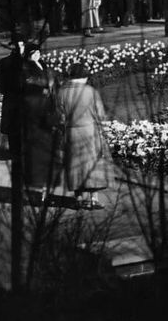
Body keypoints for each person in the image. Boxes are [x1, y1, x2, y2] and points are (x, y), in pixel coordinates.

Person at [55, 64, 111, 209]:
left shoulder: (61, 92)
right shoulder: (90, 91)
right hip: (89, 131)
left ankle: (78, 198)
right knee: (93, 165)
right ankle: (93, 199)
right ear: (85, 77)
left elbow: (59, 117)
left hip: (71, 132)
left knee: (74, 166)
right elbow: (100, 115)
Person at [20, 44, 61, 202]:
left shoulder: (42, 66)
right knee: (37, 156)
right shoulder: (26, 69)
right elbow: (29, 83)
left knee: (45, 156)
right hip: (36, 117)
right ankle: (36, 192)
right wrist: (44, 87)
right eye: (33, 53)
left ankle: (42, 192)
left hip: (45, 114)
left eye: (38, 52)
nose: (37, 55)